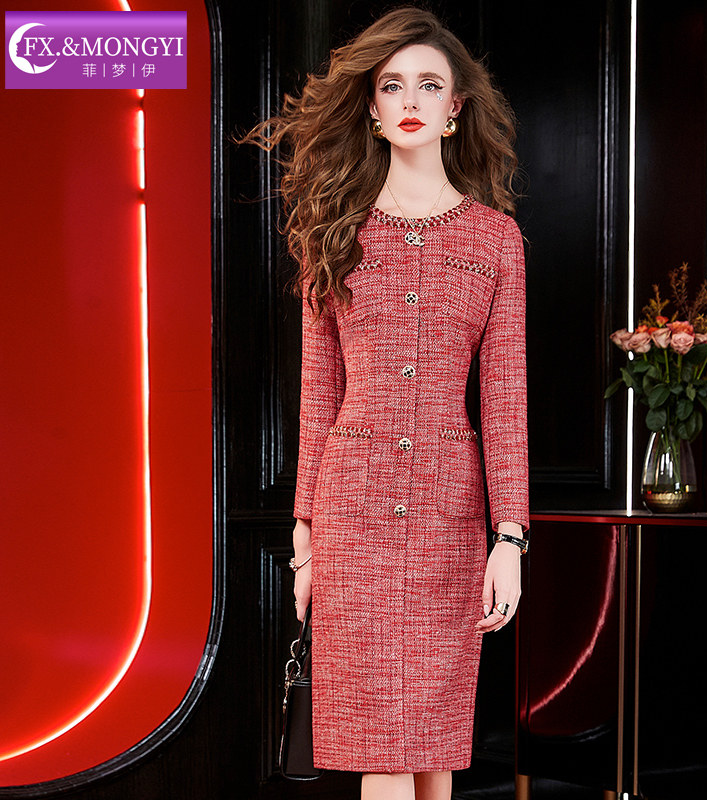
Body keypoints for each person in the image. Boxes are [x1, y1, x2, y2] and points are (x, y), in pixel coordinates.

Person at [242, 7, 529, 800]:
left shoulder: (495, 239)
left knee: (433, 747)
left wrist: (509, 538)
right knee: (383, 747)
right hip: (352, 513)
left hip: (450, 518)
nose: (410, 99)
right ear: (370, 104)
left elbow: (506, 398)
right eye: (392, 84)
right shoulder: (332, 232)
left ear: (454, 106)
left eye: (429, 84)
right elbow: (317, 397)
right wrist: (305, 540)